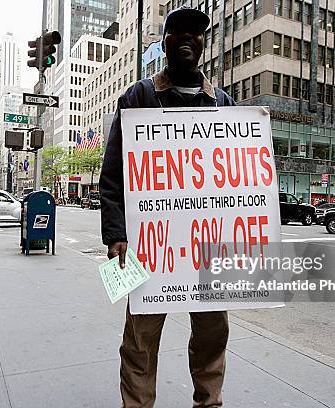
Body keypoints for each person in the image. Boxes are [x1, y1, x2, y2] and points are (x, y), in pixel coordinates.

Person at [99, 6, 235, 407]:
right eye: (178, 31)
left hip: (209, 247)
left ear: (204, 43)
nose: (189, 38)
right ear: (165, 41)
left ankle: (208, 403)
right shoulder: (138, 96)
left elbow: (240, 178)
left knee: (213, 337)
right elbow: (113, 172)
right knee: (139, 342)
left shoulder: (224, 103)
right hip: (148, 246)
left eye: (197, 32)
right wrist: (116, 234)